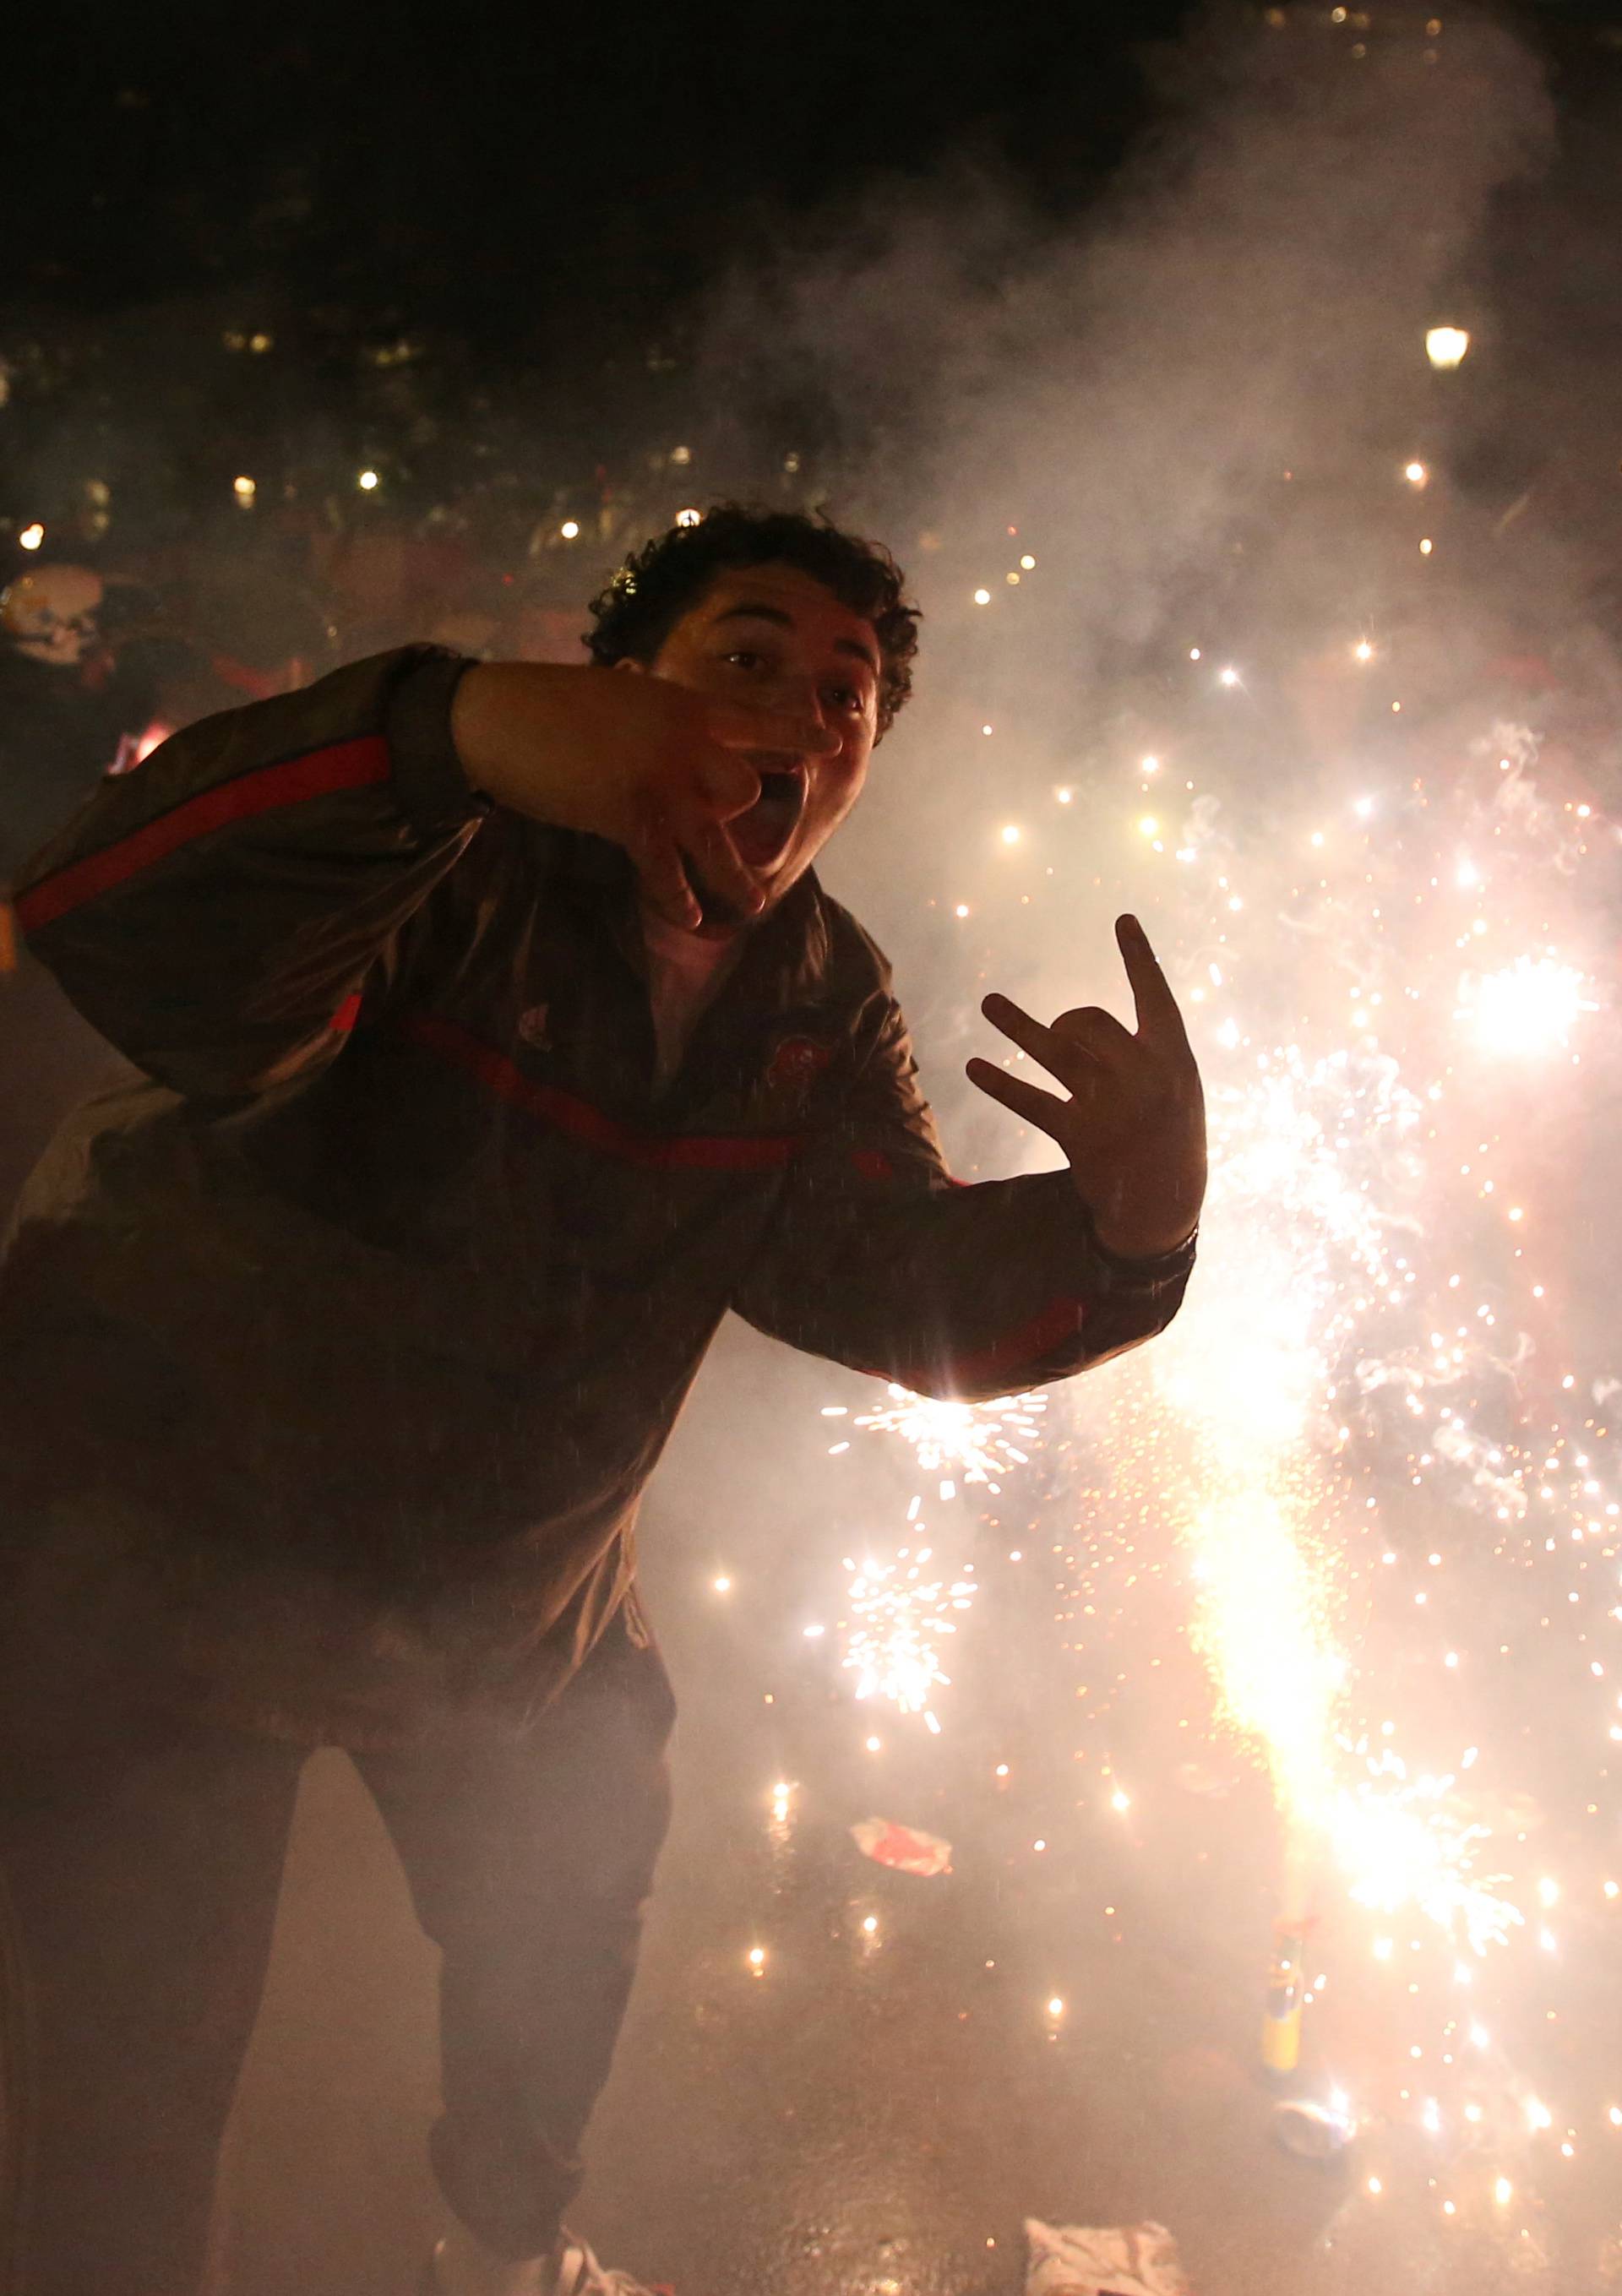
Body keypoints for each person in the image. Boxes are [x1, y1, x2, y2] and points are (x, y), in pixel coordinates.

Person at [0, 506, 1205, 2296]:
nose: (805, 710)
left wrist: (1131, 1228)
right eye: (747, 657)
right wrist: (452, 727)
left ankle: (497, 2249)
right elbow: (129, 931)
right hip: (171, 1540)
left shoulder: (816, 995)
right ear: (618, 691)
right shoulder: (453, 859)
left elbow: (885, 1278)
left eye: (849, 692)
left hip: (511, 1594)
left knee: (564, 1918)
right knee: (135, 2076)